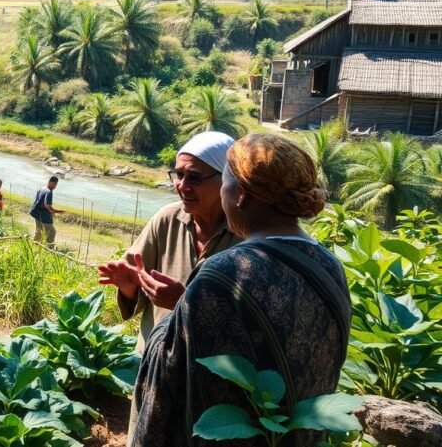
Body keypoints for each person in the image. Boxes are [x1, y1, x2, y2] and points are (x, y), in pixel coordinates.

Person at [131, 133, 350, 446]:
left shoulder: (222, 275)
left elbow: (167, 381)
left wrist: (178, 311)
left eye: (224, 185)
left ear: (241, 195)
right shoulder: (330, 266)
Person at [97, 131, 243, 445]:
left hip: (213, 372)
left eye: (194, 177)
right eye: (178, 174)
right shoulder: (166, 220)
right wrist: (128, 287)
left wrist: (184, 302)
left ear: (226, 180)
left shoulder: (244, 235)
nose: (181, 185)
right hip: (157, 364)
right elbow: (135, 280)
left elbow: (245, 317)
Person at [29, 176, 63, 245]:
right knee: (52, 232)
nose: (55, 186)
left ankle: (35, 244)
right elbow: (47, 205)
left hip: (35, 212)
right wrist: (56, 211)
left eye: (56, 184)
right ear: (50, 182)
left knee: (39, 230)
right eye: (55, 184)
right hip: (43, 215)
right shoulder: (49, 192)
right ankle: (49, 247)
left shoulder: (42, 188)